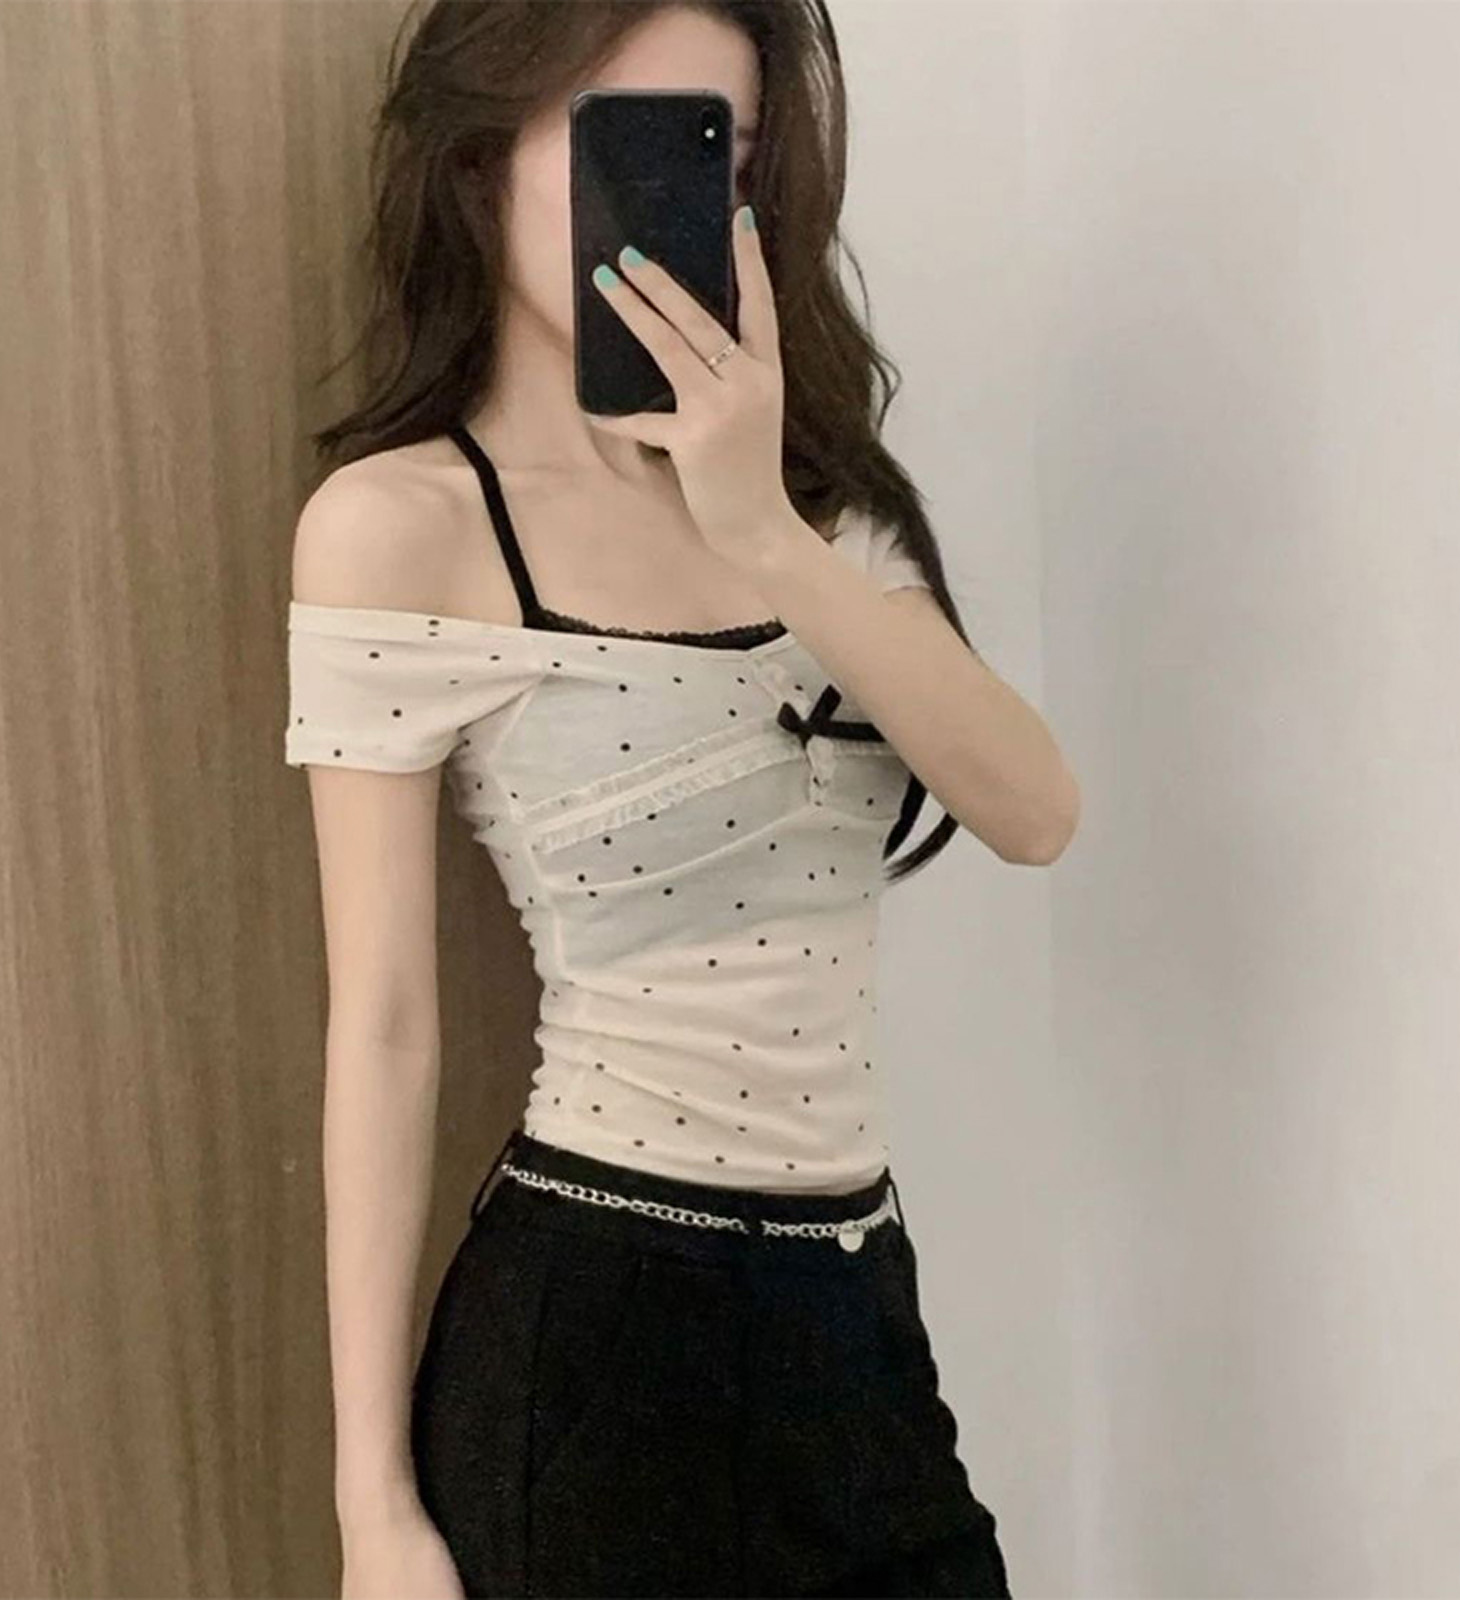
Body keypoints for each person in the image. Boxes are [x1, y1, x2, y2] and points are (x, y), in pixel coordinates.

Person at [285, 3, 1078, 1595]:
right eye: (615, 137)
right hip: (601, 1324)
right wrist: (374, 1508)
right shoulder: (402, 526)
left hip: (858, 1313)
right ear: (477, 162)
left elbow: (1032, 809)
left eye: (712, 152)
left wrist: (759, 526)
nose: (663, 203)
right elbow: (384, 1024)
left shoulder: (822, 510)